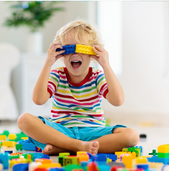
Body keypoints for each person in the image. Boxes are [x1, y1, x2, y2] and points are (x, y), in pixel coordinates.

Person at [18, 19, 139, 155]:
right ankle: (76, 146)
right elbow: (38, 100)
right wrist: (48, 63)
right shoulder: (57, 75)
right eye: (68, 49)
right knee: (24, 119)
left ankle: (65, 148)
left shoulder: (97, 76)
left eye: (81, 48)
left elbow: (118, 101)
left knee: (132, 135)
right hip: (61, 132)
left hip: (93, 132)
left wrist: (106, 65)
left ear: (91, 54)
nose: (74, 53)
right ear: (61, 54)